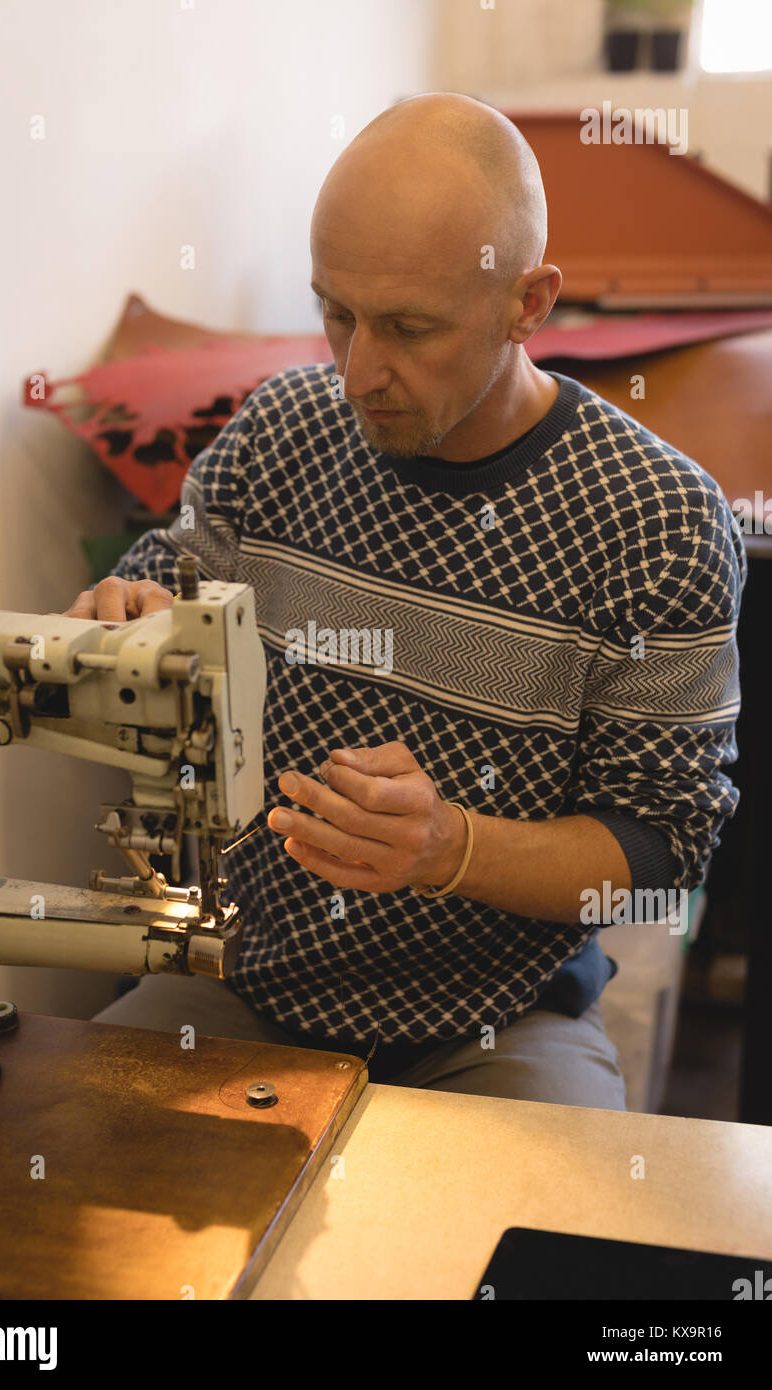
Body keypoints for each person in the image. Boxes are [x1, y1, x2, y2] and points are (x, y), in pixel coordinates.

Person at [71, 94, 745, 1109]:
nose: (356, 373)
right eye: (335, 314)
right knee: (61, 1144)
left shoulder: (655, 517)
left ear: (527, 303)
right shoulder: (281, 430)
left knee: (562, 1206)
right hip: (246, 983)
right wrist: (123, 615)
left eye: (408, 328)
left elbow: (665, 854)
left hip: (497, 1019)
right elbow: (169, 578)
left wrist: (451, 848)